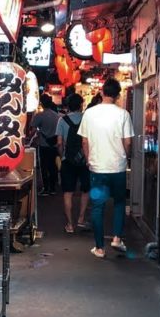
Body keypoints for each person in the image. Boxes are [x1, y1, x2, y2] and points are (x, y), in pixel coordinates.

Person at [78, 78, 134, 258]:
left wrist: (89, 159)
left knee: (97, 207)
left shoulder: (89, 114)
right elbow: (128, 142)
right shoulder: (123, 114)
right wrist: (126, 157)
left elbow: (84, 141)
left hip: (97, 167)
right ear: (118, 95)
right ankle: (117, 238)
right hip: (117, 167)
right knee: (119, 202)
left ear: (102, 92)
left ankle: (100, 248)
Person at [56, 93, 90, 234]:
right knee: (85, 190)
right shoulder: (87, 119)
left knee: (68, 192)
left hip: (67, 161)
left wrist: (62, 155)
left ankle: (70, 224)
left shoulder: (62, 120)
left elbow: (59, 142)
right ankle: (81, 219)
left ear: (68, 106)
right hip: (85, 160)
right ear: (81, 105)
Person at [31, 96, 61, 195]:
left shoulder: (40, 115)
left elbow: (33, 129)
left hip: (43, 144)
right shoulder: (57, 116)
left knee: (44, 167)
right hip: (54, 145)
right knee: (53, 166)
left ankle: (46, 188)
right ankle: (53, 188)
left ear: (42, 104)